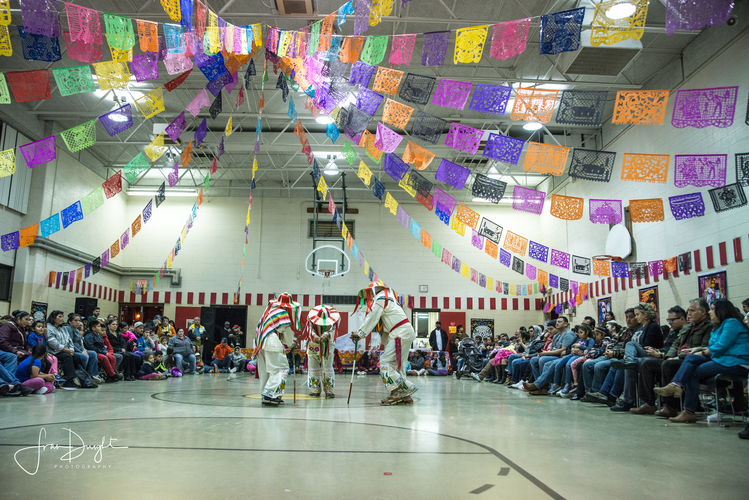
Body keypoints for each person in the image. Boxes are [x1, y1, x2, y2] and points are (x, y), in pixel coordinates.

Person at [656, 299, 749, 424]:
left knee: (692, 371)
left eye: (712, 309)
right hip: (722, 359)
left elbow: (721, 346)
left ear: (721, 311)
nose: (710, 312)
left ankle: (686, 407)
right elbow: (713, 346)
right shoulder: (718, 326)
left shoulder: (731, 323)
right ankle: (678, 389)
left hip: (736, 362)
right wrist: (698, 349)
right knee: (691, 358)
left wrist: (702, 352)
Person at [351, 283, 418, 405]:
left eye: (370, 293)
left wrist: (360, 333)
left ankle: (402, 390)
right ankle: (404, 396)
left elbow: (373, 317)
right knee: (398, 365)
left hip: (400, 333)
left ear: (374, 291)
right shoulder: (391, 299)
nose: (369, 296)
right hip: (404, 331)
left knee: (385, 363)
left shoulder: (381, 298)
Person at [254, 293, 300, 405]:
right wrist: (291, 343)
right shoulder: (283, 313)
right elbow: (288, 332)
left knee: (267, 372)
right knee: (281, 368)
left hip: (261, 344)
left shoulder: (268, 312)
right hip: (273, 343)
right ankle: (270, 393)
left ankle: (266, 395)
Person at [303, 304, 340, 398]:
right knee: (312, 365)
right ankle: (315, 389)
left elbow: (334, 331)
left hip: (328, 345)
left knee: (327, 366)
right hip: (313, 344)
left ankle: (329, 390)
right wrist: (314, 336)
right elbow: (309, 329)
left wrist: (327, 334)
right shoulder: (310, 319)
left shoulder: (334, 320)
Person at [46, 310, 85, 389]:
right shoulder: (49, 327)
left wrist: (71, 350)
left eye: (62, 317)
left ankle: (80, 378)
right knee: (67, 357)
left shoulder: (63, 328)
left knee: (77, 357)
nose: (61, 319)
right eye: (59, 317)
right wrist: (66, 350)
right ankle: (68, 380)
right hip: (54, 351)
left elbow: (69, 340)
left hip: (66, 350)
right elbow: (52, 342)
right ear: (53, 318)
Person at [65, 313, 101, 384]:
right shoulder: (68, 329)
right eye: (75, 320)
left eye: (79, 320)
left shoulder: (76, 330)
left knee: (93, 354)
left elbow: (80, 343)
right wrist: (81, 352)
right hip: (72, 350)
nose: (78, 322)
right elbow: (70, 343)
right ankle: (82, 376)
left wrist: (84, 350)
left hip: (79, 350)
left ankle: (91, 375)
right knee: (84, 357)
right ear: (70, 321)